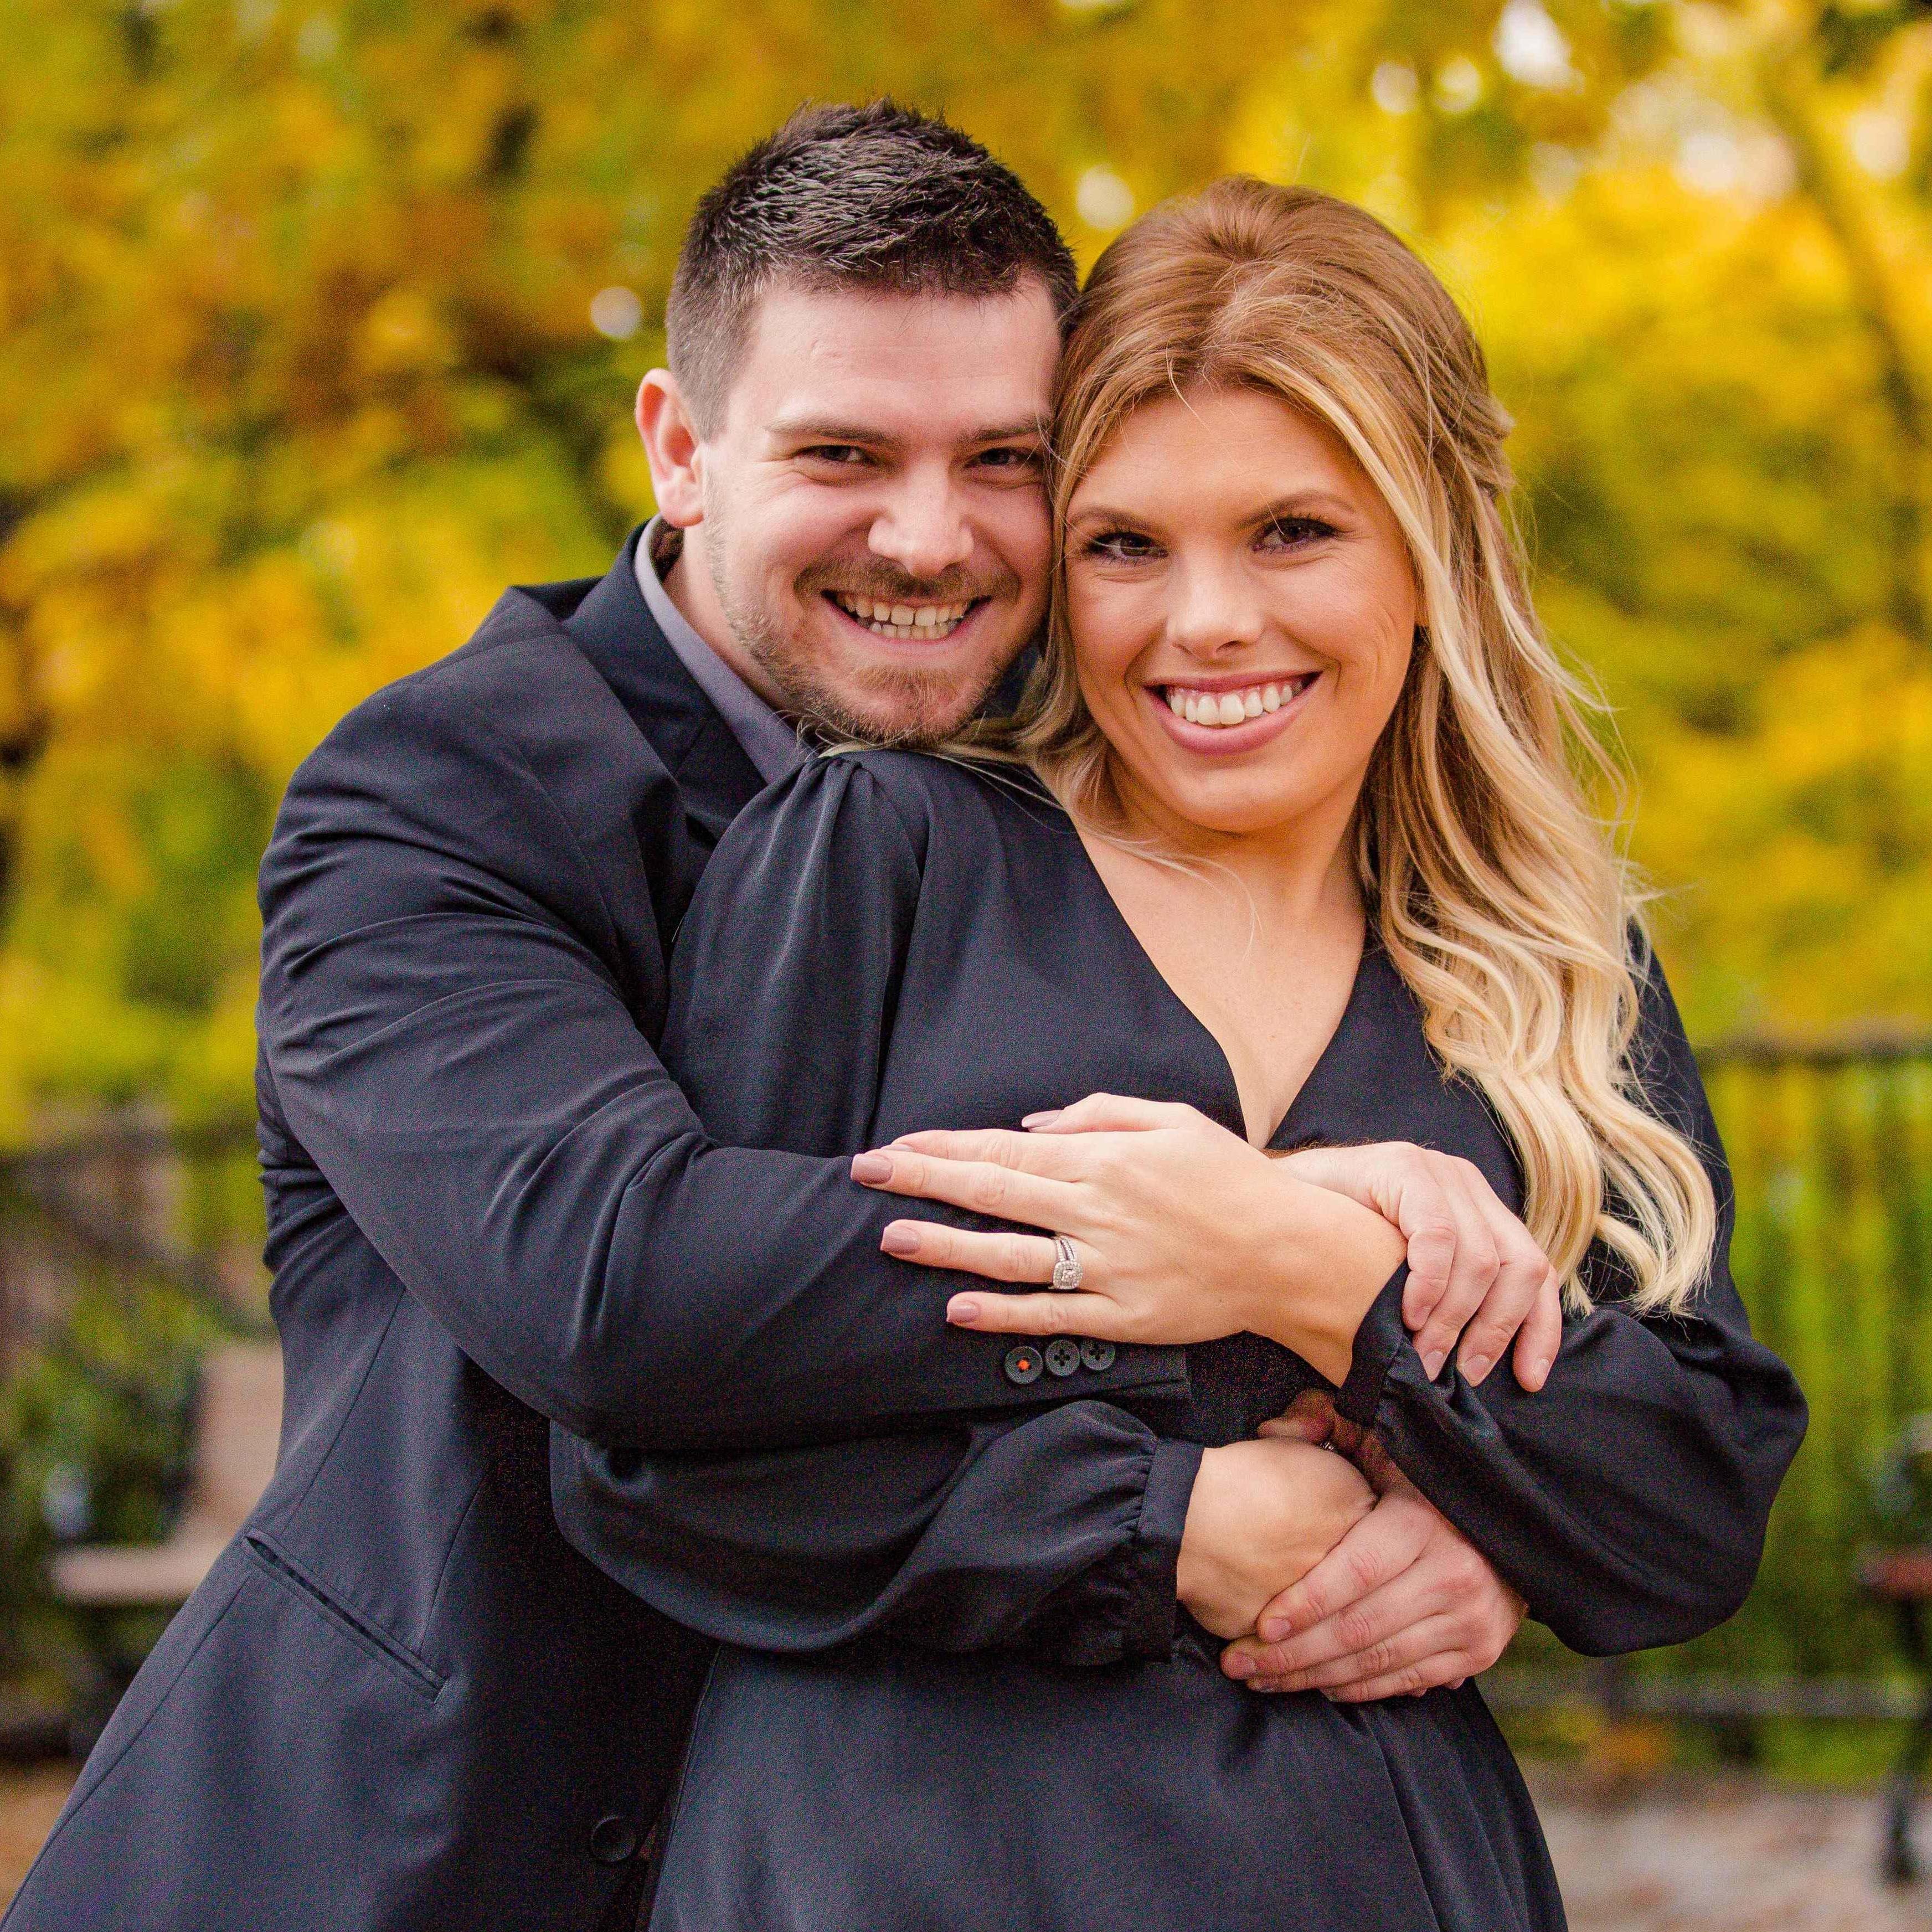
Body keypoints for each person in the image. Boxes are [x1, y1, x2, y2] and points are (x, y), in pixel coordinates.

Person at [2, 110, 1542, 1932]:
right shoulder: (437, 797)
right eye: (842, 452)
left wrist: (1465, 1521)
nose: (927, 534)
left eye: (1002, 459)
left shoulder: (1105, 770)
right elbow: (613, 1279)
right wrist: (1251, 1245)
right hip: (420, 1849)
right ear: (680, 448)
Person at [560, 178, 1810, 1931]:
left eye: (1291, 532)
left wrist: (1327, 1287)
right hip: (895, 1873)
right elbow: (656, 1457)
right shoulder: (881, 857)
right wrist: (1162, 1519)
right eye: (1125, 546)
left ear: (1431, 546)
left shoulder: (1548, 966)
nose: (1205, 620)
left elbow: (1688, 1508)